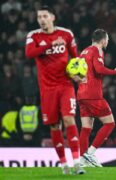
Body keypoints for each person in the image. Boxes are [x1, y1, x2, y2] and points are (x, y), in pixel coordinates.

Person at [25, 5, 85, 174]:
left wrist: (79, 74)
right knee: (54, 125)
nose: (42, 19)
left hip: (65, 86)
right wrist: (50, 44)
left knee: (69, 120)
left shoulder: (66, 34)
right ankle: (64, 163)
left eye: (45, 16)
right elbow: (29, 53)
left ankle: (76, 162)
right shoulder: (34, 36)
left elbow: (76, 58)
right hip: (47, 89)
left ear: (53, 17)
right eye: (39, 17)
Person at [76, 29, 116, 167]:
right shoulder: (97, 51)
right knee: (110, 123)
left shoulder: (83, 51)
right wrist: (115, 71)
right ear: (103, 40)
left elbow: (77, 73)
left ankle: (83, 160)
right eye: (107, 40)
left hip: (82, 94)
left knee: (86, 128)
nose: (107, 42)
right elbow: (99, 69)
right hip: (93, 95)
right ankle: (90, 153)